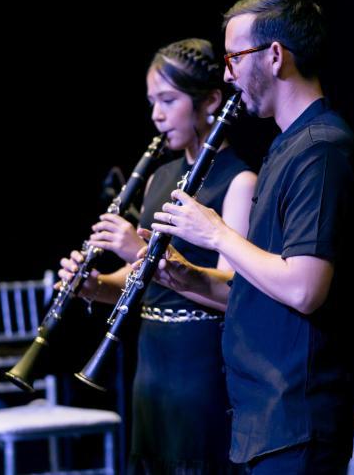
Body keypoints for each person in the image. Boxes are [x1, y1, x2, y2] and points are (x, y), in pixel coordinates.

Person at [138, 0, 354, 474]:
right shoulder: (288, 147)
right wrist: (191, 279)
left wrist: (218, 233)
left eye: (233, 57)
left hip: (298, 413)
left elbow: (305, 289)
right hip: (265, 413)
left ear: (274, 56)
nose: (227, 73)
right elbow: (269, 287)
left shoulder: (321, 149)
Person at [58, 38, 257, 474]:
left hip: (202, 367)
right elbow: (140, 279)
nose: (156, 114)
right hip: (153, 365)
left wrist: (138, 249)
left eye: (168, 100)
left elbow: (234, 292)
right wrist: (94, 286)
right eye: (152, 102)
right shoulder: (160, 177)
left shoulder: (239, 181)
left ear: (210, 102)